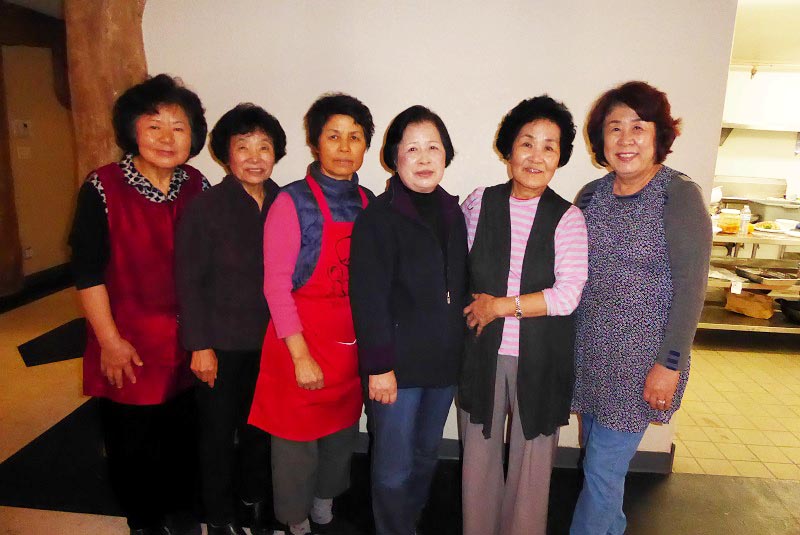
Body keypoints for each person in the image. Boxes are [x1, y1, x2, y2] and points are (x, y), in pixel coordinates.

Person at [69, 74, 208, 535]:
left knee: (184, 435)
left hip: (187, 339)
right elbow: (87, 272)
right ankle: (144, 521)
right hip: (127, 340)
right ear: (132, 130)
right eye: (154, 126)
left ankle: (183, 513)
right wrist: (109, 341)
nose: (167, 138)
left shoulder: (197, 184)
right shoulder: (103, 187)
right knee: (133, 441)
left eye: (179, 127)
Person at [570, 81, 711, 535]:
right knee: (598, 465)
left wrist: (670, 365)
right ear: (601, 138)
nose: (625, 139)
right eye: (615, 128)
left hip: (643, 364)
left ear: (658, 136)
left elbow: (691, 290)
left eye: (638, 126)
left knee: (601, 470)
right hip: (591, 357)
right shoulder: (590, 196)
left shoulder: (678, 195)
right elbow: (571, 275)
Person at [458, 96, 588, 535]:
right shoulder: (480, 203)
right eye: (527, 143)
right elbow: (458, 264)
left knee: (533, 466)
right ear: (508, 149)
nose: (536, 156)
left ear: (560, 158)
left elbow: (567, 296)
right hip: (483, 352)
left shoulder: (568, 218)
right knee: (478, 459)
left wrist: (499, 306)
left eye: (549, 147)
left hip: (540, 357)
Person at [248, 93, 374, 535]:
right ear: (315, 142)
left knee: (341, 434)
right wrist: (300, 356)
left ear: (366, 146)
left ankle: (324, 506)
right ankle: (295, 521)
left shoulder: (368, 201)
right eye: (333, 136)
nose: (344, 146)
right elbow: (275, 286)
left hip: (348, 344)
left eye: (355, 137)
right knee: (295, 445)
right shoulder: (292, 202)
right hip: (298, 339)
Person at [349, 105, 468, 535]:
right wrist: (379, 367)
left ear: (446, 154)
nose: (424, 158)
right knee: (393, 467)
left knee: (425, 456)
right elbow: (369, 299)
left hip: (443, 364)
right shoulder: (378, 218)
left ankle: (409, 523)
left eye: (433, 147)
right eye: (412, 148)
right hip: (396, 369)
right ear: (394, 157)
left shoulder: (454, 212)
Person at [175, 103, 286, 535]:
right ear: (226, 153)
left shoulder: (286, 202)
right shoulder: (205, 208)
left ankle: (253, 502)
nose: (255, 157)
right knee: (217, 436)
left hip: (273, 343)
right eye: (243, 147)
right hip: (220, 344)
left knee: (262, 431)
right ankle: (219, 517)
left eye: (264, 147)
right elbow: (189, 281)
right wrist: (200, 346)